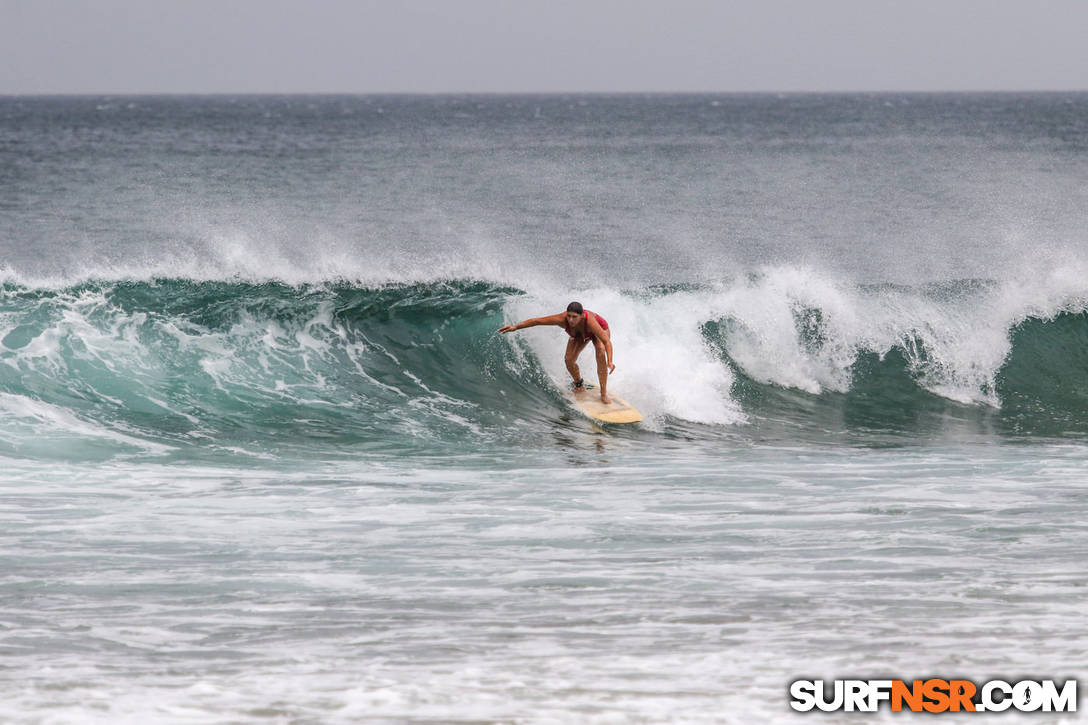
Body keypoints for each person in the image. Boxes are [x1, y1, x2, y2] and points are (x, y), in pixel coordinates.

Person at [499, 301, 615, 404]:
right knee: (569, 360)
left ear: (582, 316)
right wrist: (515, 327)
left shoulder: (590, 321)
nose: (570, 320)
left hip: (599, 330)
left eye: (574, 317)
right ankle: (579, 385)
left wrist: (609, 361)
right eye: (569, 316)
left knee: (600, 350)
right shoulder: (561, 319)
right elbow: (536, 321)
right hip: (579, 334)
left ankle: (603, 394)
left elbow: (607, 342)